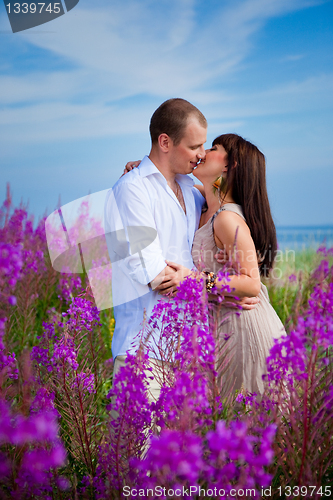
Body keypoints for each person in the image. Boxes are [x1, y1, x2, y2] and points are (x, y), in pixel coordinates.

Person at [156, 133, 286, 396]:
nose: (202, 152)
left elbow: (251, 283)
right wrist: (145, 167)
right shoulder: (207, 201)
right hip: (223, 327)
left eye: (213, 148)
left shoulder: (227, 219)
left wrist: (194, 280)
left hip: (245, 330)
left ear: (229, 165)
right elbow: (173, 183)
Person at [104, 98, 208, 402]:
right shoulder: (133, 190)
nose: (202, 155)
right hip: (142, 354)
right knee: (138, 449)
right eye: (194, 146)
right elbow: (157, 277)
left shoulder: (191, 190)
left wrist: (191, 276)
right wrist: (206, 282)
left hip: (186, 353)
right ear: (165, 141)